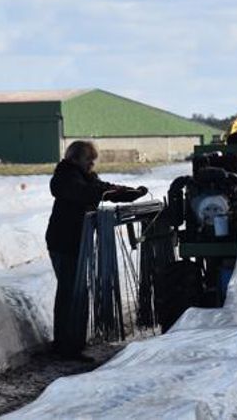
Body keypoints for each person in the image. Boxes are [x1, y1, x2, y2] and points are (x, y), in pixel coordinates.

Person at [45, 141, 147, 361]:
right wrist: (110, 193)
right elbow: (86, 193)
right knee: (70, 292)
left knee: (77, 291)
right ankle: (66, 345)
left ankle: (72, 344)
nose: (92, 163)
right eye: (88, 159)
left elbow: (101, 188)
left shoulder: (85, 177)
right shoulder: (64, 179)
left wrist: (128, 192)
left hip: (77, 241)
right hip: (64, 242)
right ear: (74, 159)